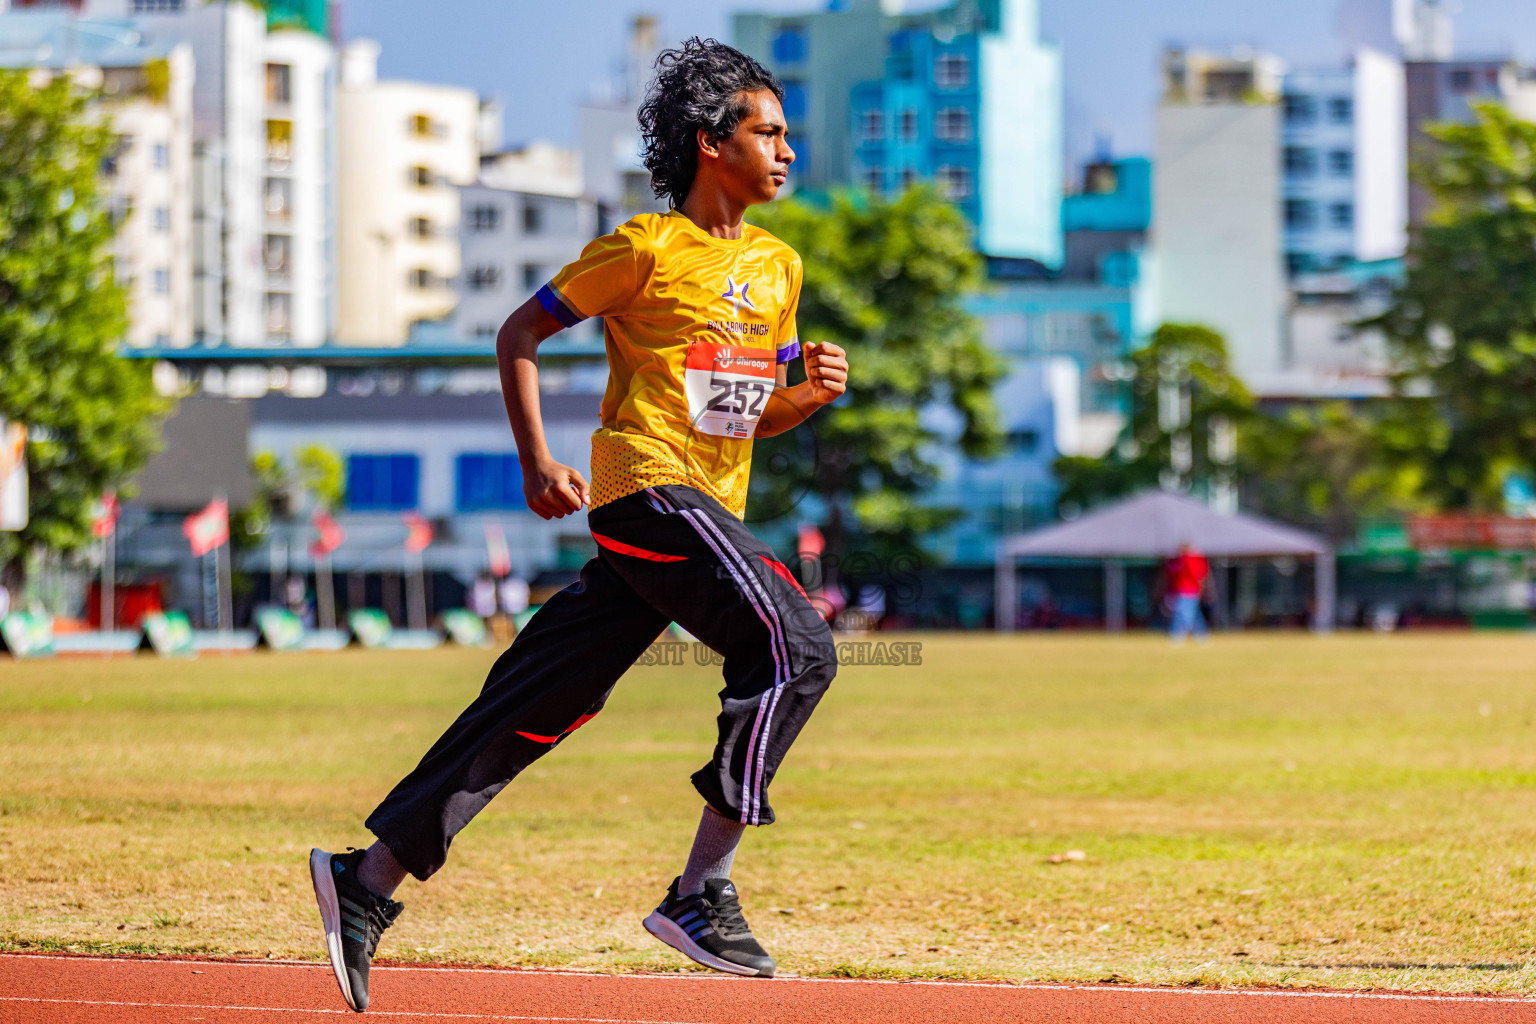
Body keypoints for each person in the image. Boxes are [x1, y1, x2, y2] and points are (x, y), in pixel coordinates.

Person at [308, 38, 848, 1011]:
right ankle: (702, 891)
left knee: (537, 701)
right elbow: (521, 332)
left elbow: (745, 412)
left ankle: (367, 882)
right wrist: (535, 459)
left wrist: (802, 401)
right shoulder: (644, 247)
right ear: (709, 143)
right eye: (769, 133)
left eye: (786, 134)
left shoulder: (780, 267)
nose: (788, 152)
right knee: (797, 644)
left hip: (704, 515)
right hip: (645, 492)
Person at [1165, 542, 1211, 643]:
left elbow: (1200, 576)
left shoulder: (1193, 560)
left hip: (1190, 591)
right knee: (1192, 614)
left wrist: (1202, 591)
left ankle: (1177, 634)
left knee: (1183, 614)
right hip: (1179, 591)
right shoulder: (1177, 560)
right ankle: (1201, 635)